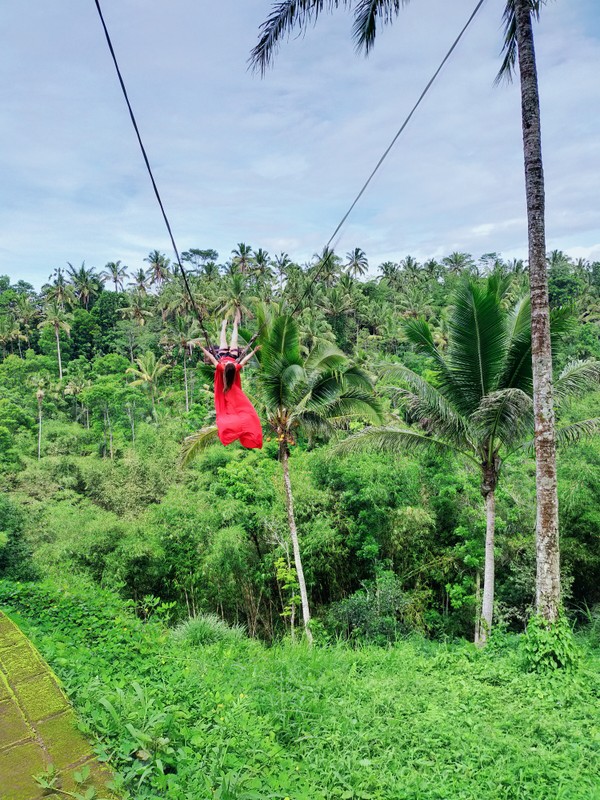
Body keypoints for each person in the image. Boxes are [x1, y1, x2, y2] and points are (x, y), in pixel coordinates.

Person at [199, 310, 263, 449]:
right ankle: (233, 324)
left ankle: (225, 325)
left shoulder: (222, 367)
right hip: (232, 356)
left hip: (223, 356)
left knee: (223, 341)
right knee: (232, 341)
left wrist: (203, 348)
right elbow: (244, 360)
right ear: (231, 368)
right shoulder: (234, 366)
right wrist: (253, 351)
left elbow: (212, 357)